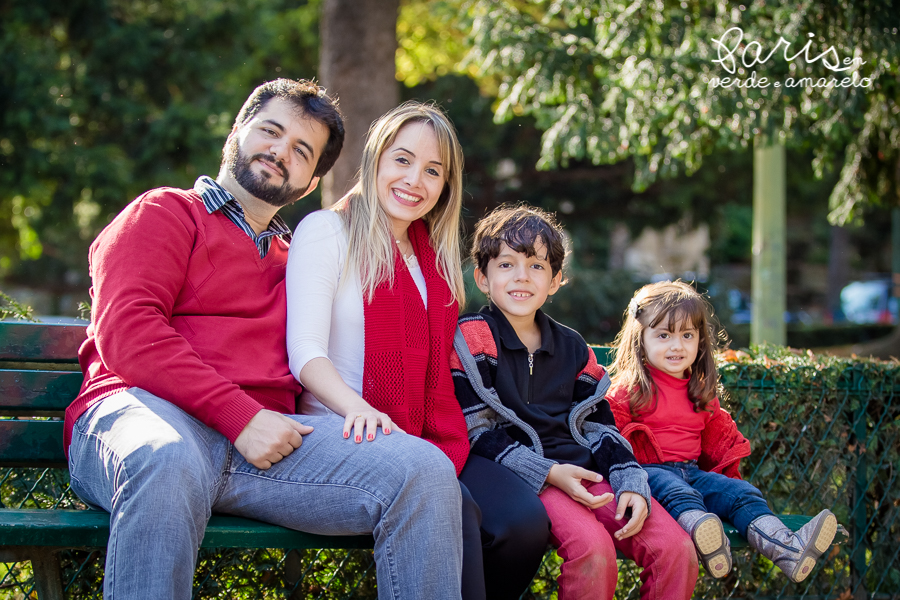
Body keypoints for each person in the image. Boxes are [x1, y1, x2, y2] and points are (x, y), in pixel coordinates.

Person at [64, 79, 464, 600]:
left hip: (269, 446)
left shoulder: (294, 256)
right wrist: (240, 416)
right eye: (270, 132)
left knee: (425, 471)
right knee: (167, 458)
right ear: (237, 131)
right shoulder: (165, 212)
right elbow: (130, 334)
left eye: (303, 151)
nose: (281, 152)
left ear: (311, 179)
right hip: (146, 418)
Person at [286, 103, 550, 600]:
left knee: (523, 524)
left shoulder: (434, 256)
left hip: (429, 429)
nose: (415, 180)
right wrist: (358, 408)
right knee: (461, 515)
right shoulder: (327, 231)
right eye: (402, 160)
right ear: (376, 159)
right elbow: (304, 352)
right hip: (347, 430)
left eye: (433, 170)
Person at [451, 205, 698, 600]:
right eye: (506, 264)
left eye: (536, 266)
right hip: (529, 477)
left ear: (555, 280)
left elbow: (600, 427)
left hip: (590, 475)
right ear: (482, 277)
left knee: (677, 550)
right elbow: (475, 429)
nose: (521, 277)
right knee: (593, 553)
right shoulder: (473, 338)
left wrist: (629, 481)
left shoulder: (574, 347)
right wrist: (549, 472)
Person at [607, 280, 838, 582]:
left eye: (687, 335)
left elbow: (720, 442)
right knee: (679, 491)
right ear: (641, 339)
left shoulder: (700, 391)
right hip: (649, 474)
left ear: (700, 341)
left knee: (740, 493)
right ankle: (706, 537)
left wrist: (726, 483)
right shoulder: (630, 390)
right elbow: (608, 437)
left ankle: (788, 550)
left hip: (692, 472)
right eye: (663, 335)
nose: (677, 346)